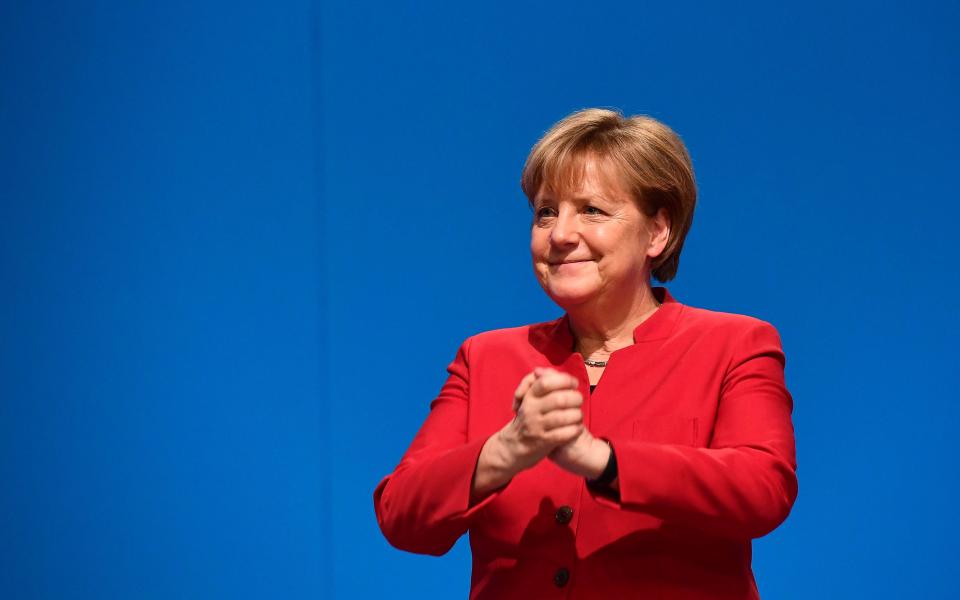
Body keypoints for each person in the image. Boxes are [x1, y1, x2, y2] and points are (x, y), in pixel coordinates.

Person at [373, 108, 798, 599]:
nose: (559, 235)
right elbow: (400, 515)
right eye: (545, 212)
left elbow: (763, 490)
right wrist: (505, 450)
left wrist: (604, 461)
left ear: (658, 232)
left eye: (592, 210)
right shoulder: (484, 357)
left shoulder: (734, 344)